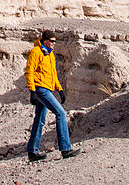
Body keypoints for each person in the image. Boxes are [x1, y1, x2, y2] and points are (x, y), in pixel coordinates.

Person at [24, 29, 80, 162]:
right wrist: (32, 91)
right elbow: (29, 72)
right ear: (45, 40)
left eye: (55, 41)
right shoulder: (36, 52)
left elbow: (53, 74)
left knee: (39, 120)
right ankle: (65, 149)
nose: (54, 44)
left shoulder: (50, 54)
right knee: (60, 113)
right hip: (41, 89)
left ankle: (32, 152)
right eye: (52, 41)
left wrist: (60, 90)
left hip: (48, 88)